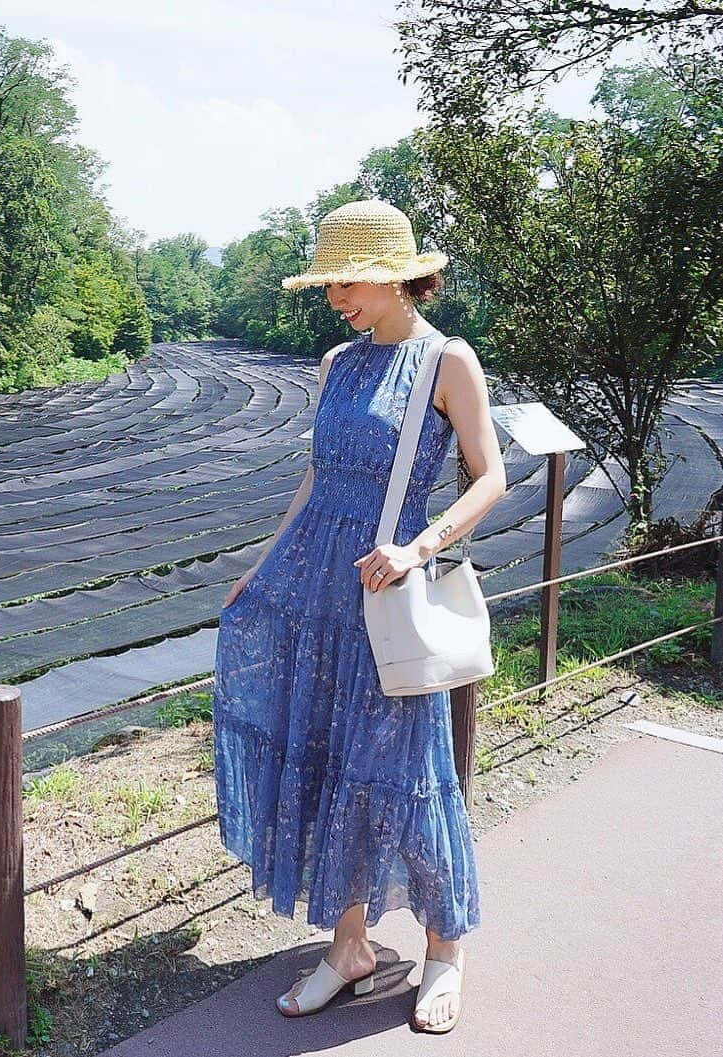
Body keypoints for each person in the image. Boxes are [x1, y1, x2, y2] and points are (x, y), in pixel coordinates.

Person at [212, 198, 506, 1034]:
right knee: (320, 758)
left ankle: (445, 950)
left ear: (391, 276)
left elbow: (490, 477)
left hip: (385, 586)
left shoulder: (448, 360)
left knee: (408, 771)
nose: (335, 296)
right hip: (313, 584)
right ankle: (348, 947)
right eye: (330, 282)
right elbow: (315, 480)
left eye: (346, 281)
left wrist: (420, 546)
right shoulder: (336, 361)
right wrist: (260, 568)